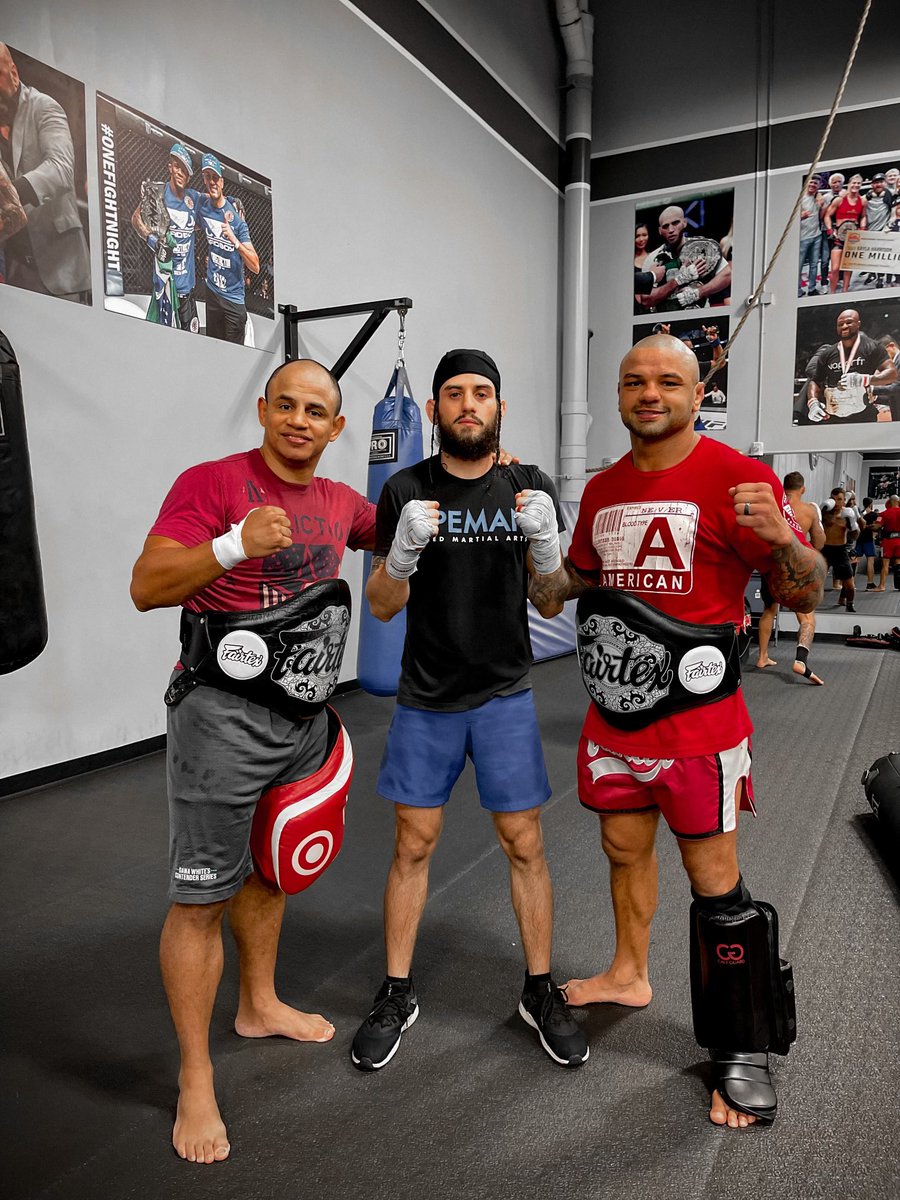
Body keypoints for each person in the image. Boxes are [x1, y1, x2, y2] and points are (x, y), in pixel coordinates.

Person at [528, 334, 824, 1128]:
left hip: (699, 724)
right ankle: (629, 971)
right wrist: (537, 558)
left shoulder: (740, 477)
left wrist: (786, 538)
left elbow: (805, 590)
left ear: (698, 396)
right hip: (614, 719)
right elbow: (573, 582)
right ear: (619, 396)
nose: (648, 393)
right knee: (622, 852)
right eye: (633, 382)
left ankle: (740, 1042)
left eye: (667, 381)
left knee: (715, 880)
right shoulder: (602, 490)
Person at [130, 358, 376, 1164]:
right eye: (289, 405)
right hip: (220, 718)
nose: (301, 420)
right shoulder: (212, 484)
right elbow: (146, 584)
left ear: (338, 428)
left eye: (318, 411)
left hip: (302, 712)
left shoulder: (342, 503)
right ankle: (195, 1078)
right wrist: (232, 545)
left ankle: (259, 1002)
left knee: (271, 869)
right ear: (265, 409)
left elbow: (407, 521)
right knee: (202, 894)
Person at [350, 348, 588, 1073]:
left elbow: (551, 601)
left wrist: (547, 548)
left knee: (525, 843)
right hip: (426, 695)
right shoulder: (405, 489)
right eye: (453, 394)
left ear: (499, 408)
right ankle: (396, 991)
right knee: (413, 845)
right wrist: (400, 560)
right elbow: (382, 605)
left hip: (505, 693)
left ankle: (539, 990)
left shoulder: (527, 485)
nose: (467, 405)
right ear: (432, 410)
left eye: (481, 393)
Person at [0, 42, 90, 301]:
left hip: (61, 270)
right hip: (17, 272)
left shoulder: (44, 107)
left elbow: (61, 168)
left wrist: (10, 195)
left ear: (14, 73)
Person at [131, 142, 202, 332]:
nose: (180, 173)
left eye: (185, 170)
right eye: (177, 166)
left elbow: (211, 213)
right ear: (169, 167)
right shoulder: (157, 194)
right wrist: (150, 239)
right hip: (164, 284)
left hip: (186, 288)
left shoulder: (194, 198)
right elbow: (136, 218)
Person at [197, 153, 259, 342]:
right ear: (204, 180)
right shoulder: (202, 207)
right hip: (212, 293)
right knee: (213, 348)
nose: (212, 182)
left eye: (215, 177)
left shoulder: (237, 220)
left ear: (222, 182)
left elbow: (255, 266)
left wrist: (235, 241)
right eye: (208, 177)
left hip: (233, 300)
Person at [805, 308, 896, 425]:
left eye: (848, 322)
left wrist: (864, 379)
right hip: (833, 416)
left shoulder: (872, 347)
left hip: (864, 416)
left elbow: (892, 373)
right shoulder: (828, 353)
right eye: (840, 324)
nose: (844, 326)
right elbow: (816, 381)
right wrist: (813, 402)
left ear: (858, 324)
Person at [638, 205, 732, 312]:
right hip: (665, 323)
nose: (671, 230)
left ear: (684, 223)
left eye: (675, 223)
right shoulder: (653, 259)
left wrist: (699, 293)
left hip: (699, 319)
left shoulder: (702, 248)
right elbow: (645, 301)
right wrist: (679, 280)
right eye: (665, 226)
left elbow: (727, 274)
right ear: (660, 230)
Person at [782, 472, 826, 684]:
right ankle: (801, 660)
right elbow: (819, 542)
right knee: (807, 618)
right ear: (803, 489)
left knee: (768, 611)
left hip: (774, 566)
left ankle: (762, 657)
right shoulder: (809, 510)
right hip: (800, 566)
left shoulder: (775, 506)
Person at [823, 173, 867, 296]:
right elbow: (827, 215)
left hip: (853, 238)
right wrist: (830, 230)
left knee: (848, 267)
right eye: (854, 183)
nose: (856, 185)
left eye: (859, 183)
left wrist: (863, 229)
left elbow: (863, 216)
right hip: (839, 237)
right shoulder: (839, 200)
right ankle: (832, 293)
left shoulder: (862, 201)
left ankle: (845, 292)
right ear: (849, 184)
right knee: (835, 268)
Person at [821, 487, 859, 613]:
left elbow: (854, 536)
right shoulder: (824, 513)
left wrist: (852, 525)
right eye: (834, 499)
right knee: (814, 580)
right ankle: (805, 604)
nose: (836, 502)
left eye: (840, 499)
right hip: (824, 550)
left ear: (844, 501)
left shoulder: (847, 514)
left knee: (849, 583)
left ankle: (849, 604)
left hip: (840, 550)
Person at [798, 177, 824, 297]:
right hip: (802, 237)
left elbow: (821, 215)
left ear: (818, 185)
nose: (813, 184)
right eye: (811, 182)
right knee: (799, 265)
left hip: (816, 235)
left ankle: (812, 288)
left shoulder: (818, 198)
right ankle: (797, 290)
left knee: (814, 265)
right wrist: (800, 217)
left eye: (816, 183)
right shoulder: (800, 198)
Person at [875, 495, 900, 591]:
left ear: (890, 501)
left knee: (885, 564)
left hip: (888, 541)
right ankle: (898, 585)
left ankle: (882, 586)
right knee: (898, 563)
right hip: (899, 540)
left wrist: (868, 526)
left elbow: (876, 526)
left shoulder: (883, 514)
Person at [856, 497, 881, 591]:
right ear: (871, 504)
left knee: (855, 561)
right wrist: (868, 527)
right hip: (868, 540)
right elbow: (875, 526)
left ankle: (851, 583)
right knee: (870, 561)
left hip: (859, 539)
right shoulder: (874, 514)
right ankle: (869, 583)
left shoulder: (860, 514)